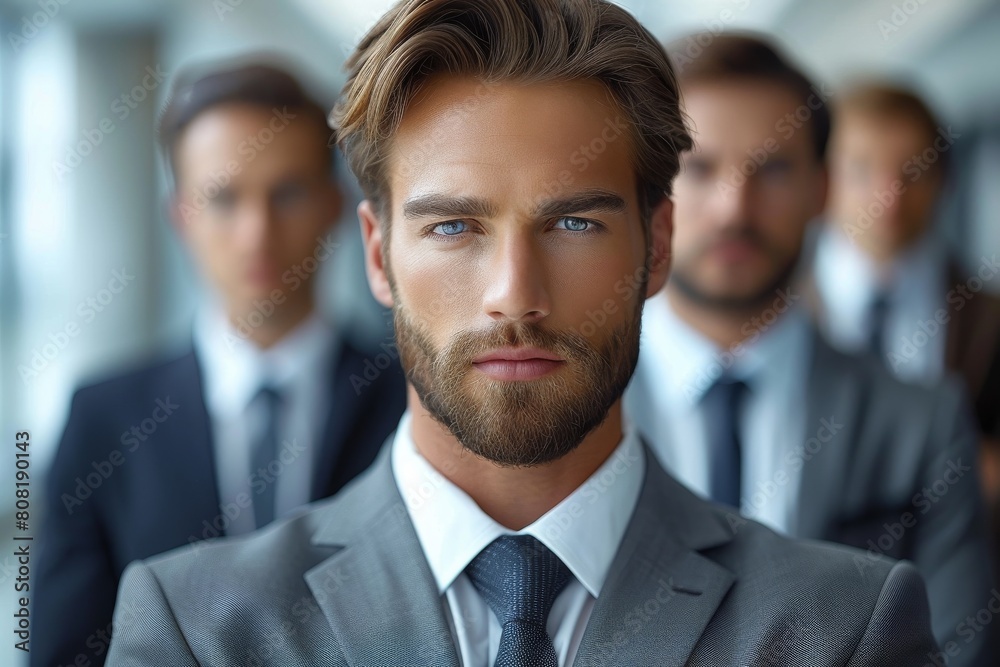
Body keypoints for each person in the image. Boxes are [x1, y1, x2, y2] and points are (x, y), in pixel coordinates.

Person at [107, 2, 937, 665]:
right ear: (377, 254)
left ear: (658, 246)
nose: (514, 295)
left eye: (573, 222)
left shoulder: (842, 630)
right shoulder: (200, 631)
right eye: (454, 227)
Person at [624, 33, 993, 665]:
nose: (735, 207)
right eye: (701, 167)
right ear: (652, 190)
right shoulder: (572, 410)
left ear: (822, 192)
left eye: (772, 169)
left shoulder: (924, 425)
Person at [33, 61, 406, 667]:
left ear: (336, 207)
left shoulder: (411, 399)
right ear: (181, 216)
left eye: (286, 193)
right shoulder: (103, 418)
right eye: (224, 198)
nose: (256, 233)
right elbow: (61, 651)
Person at [806, 80, 1000, 542]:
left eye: (912, 171)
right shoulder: (772, 309)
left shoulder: (988, 320)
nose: (888, 196)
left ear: (944, 180)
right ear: (822, 180)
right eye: (862, 169)